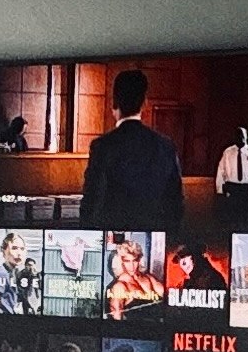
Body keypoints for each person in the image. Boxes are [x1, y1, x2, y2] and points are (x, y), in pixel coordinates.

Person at [78, 66, 183, 231]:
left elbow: (91, 202)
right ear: (144, 103)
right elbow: (175, 205)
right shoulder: (166, 146)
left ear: (114, 102)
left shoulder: (102, 146)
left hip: (113, 236)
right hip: (154, 236)